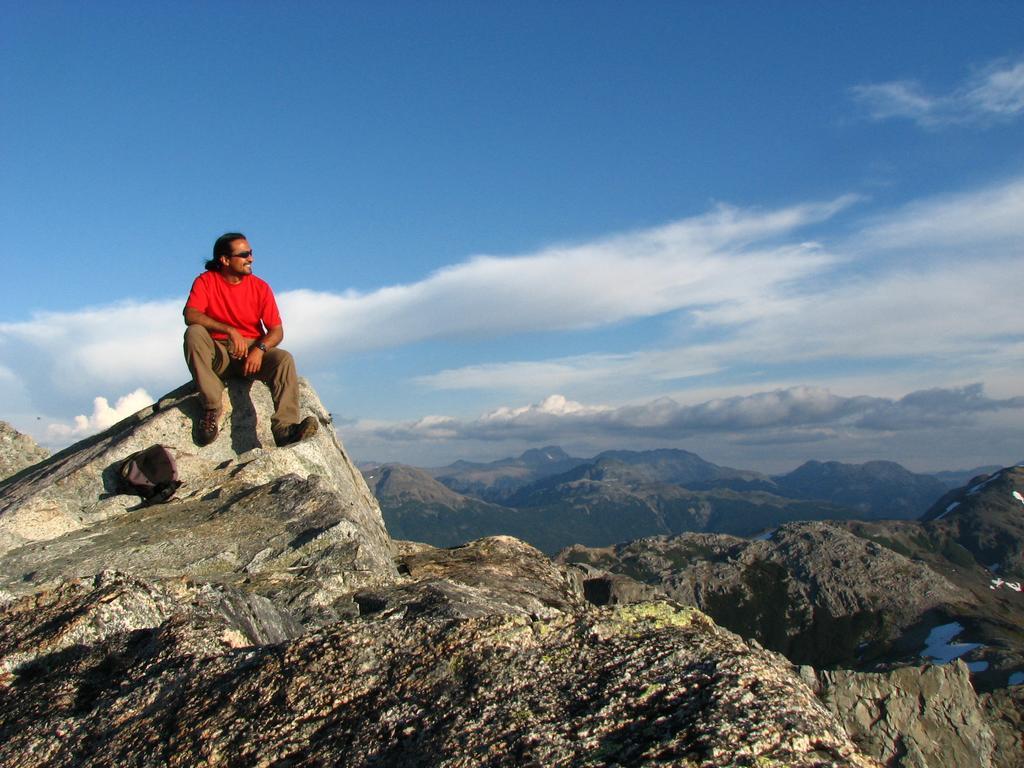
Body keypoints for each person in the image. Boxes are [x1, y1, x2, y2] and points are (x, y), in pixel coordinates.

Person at [183, 232, 318, 447]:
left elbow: (276, 331)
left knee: (284, 359)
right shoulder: (206, 281)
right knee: (194, 334)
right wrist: (230, 331)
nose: (251, 258)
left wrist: (260, 349)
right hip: (218, 352)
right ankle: (211, 406)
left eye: (251, 253)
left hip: (252, 353)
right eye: (244, 254)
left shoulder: (260, 287)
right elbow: (190, 315)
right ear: (225, 260)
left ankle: (285, 428)